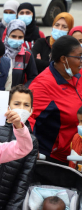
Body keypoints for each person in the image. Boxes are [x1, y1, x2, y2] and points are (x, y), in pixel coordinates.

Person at [0, 85, 39, 210]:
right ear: (8, 106)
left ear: (31, 110)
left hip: (4, 204)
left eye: (26, 105)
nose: (21, 108)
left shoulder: (31, 141)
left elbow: (24, 178)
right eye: (17, 104)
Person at [29, 35, 82, 165]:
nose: (81, 61)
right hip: (57, 160)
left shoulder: (77, 75)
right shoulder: (42, 86)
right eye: (79, 57)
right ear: (64, 59)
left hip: (78, 154)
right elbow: (28, 120)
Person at [3, 19, 38, 87]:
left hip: (17, 95)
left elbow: (33, 77)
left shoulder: (27, 54)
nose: (16, 40)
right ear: (7, 35)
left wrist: (22, 90)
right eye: (13, 36)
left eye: (20, 37)